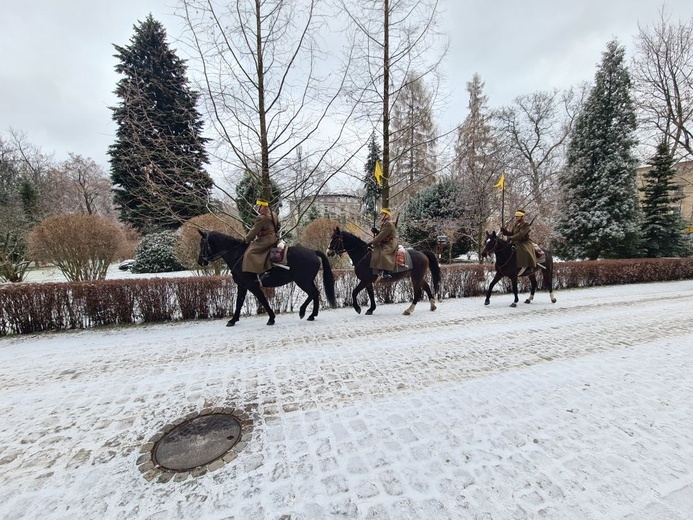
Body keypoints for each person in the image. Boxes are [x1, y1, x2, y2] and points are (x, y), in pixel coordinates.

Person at [242, 199, 280, 283]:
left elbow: (254, 231)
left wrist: (247, 239)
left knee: (250, 253)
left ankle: (259, 272)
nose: (258, 208)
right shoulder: (274, 214)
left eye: (259, 206)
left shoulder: (262, 218)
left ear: (263, 206)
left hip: (266, 240)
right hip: (274, 238)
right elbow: (278, 226)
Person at [501, 209, 537, 276]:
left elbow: (521, 234)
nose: (516, 217)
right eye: (516, 216)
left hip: (524, 242)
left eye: (518, 216)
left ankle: (528, 265)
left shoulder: (525, 225)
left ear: (521, 217)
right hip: (515, 241)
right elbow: (512, 233)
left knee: (524, 250)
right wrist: (505, 232)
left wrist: (511, 238)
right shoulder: (516, 224)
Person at [369, 208, 398, 281]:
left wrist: (373, 242)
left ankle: (386, 272)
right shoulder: (385, 223)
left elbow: (382, 235)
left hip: (390, 243)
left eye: (382, 214)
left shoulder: (388, 223)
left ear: (387, 215)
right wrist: (376, 232)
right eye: (381, 214)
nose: (380, 216)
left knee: (384, 253)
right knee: (376, 249)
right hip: (385, 241)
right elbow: (383, 234)